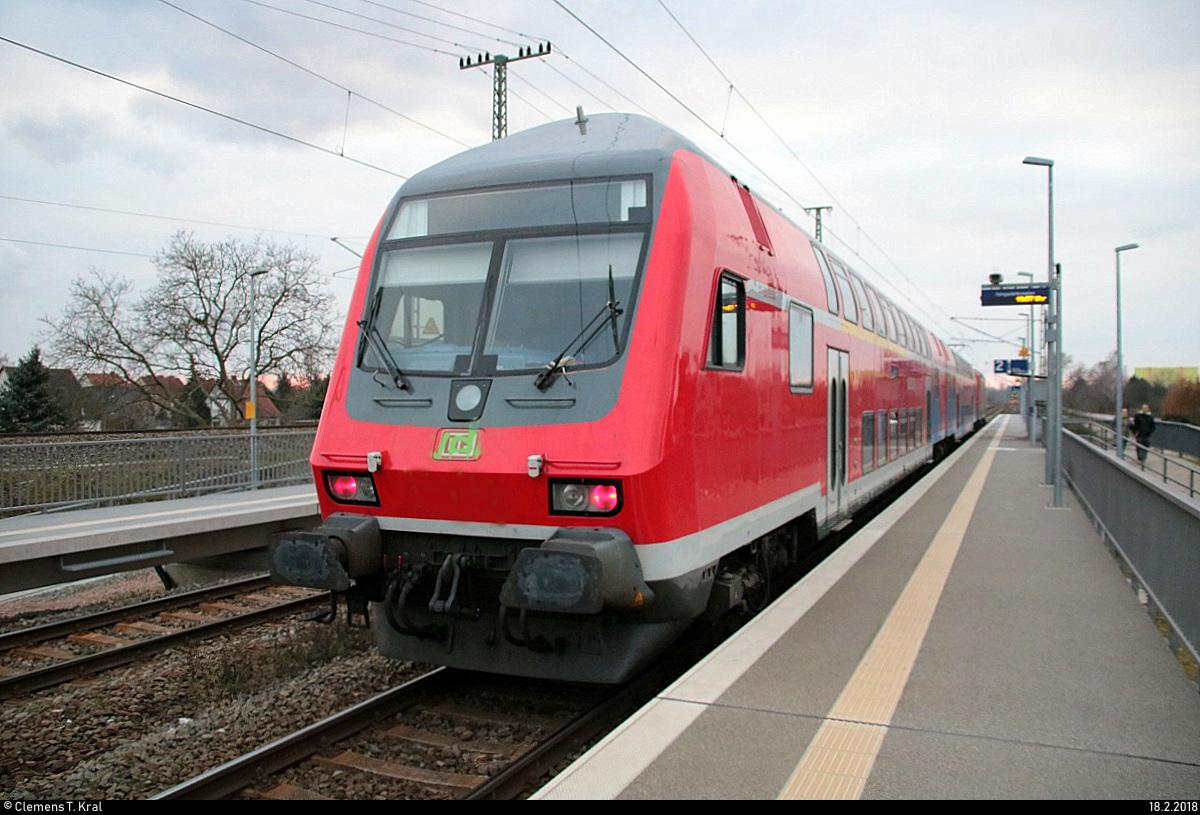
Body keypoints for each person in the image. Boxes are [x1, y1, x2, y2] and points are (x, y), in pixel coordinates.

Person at [1130, 404, 1156, 468]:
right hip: (1140, 434)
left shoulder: (1150, 417)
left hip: (1147, 435)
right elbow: (1135, 425)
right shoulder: (1138, 416)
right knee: (1139, 447)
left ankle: (1143, 458)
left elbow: (1153, 426)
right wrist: (1135, 432)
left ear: (1148, 409)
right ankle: (1140, 458)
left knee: (1146, 447)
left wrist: (1149, 432)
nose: (1144, 409)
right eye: (1143, 408)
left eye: (1146, 408)